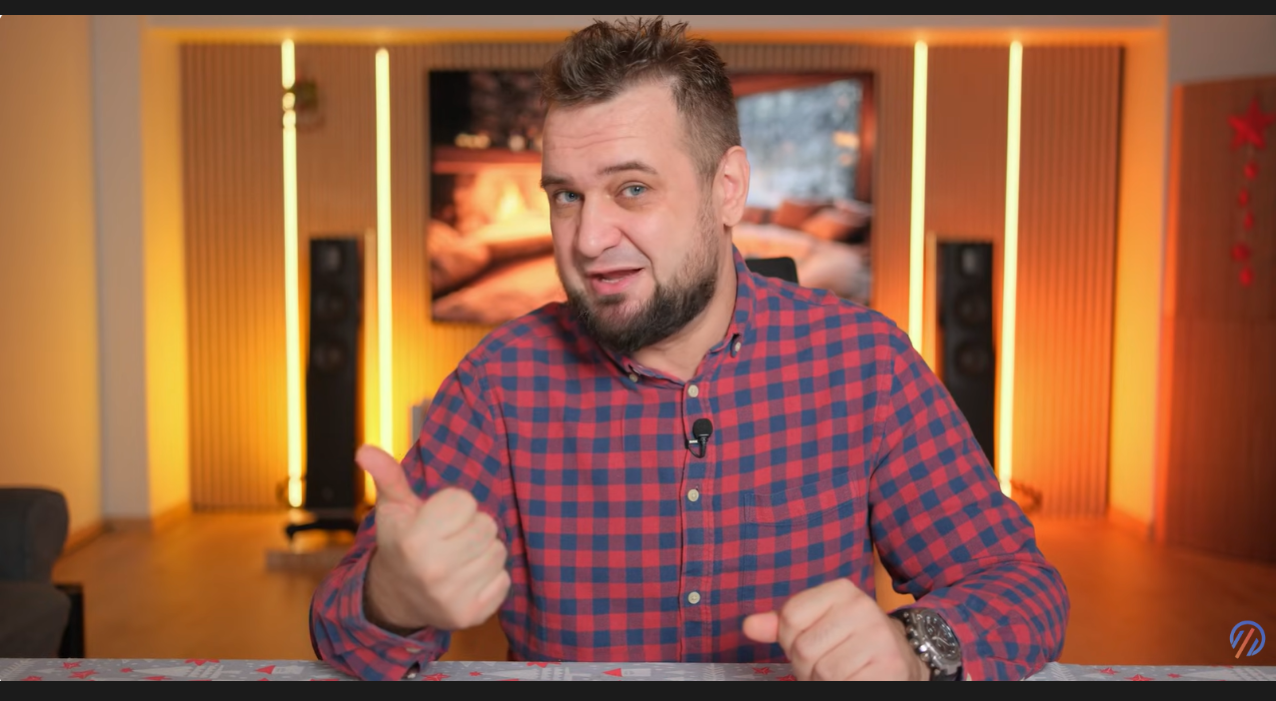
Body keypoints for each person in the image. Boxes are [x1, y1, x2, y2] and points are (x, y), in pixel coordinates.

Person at [309, 17, 1069, 681]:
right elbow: (341, 628)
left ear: (728, 188)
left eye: (632, 189)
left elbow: (1019, 586)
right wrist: (391, 598)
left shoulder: (864, 362)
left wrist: (912, 647)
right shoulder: (500, 383)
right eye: (566, 195)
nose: (588, 238)